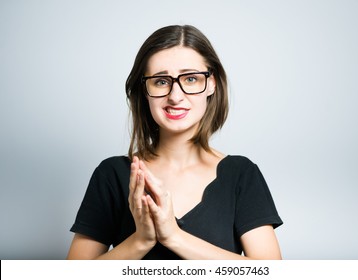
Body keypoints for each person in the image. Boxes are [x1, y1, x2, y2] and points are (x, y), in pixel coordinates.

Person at [67, 25, 283, 260]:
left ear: (212, 83)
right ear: (144, 90)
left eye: (190, 78)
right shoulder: (112, 174)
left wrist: (174, 237)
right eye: (161, 81)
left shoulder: (241, 174)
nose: (175, 96)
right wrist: (141, 241)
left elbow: (268, 271)